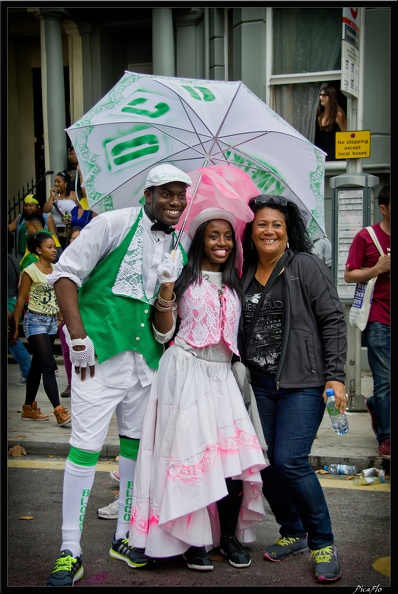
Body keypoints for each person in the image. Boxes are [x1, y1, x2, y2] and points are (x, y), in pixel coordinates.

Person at [45, 163, 193, 587]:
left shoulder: (178, 251)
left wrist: (167, 289)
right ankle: (69, 548)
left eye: (181, 195)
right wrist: (77, 336)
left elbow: (164, 331)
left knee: (133, 449)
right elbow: (66, 275)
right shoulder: (111, 223)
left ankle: (125, 533)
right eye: (167, 193)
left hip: (144, 365)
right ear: (147, 194)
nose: (176, 202)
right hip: (99, 356)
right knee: (85, 449)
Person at [128, 207, 267, 572]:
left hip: (223, 376)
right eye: (212, 235)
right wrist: (167, 287)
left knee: (230, 462)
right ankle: (193, 542)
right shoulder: (183, 278)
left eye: (226, 236)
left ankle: (227, 537)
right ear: (200, 239)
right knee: (191, 458)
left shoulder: (238, 281)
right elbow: (162, 332)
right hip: (185, 371)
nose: (221, 242)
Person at [239, 195, 347, 583]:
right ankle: (293, 531)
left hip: (303, 382)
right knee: (264, 462)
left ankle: (323, 541)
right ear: (250, 233)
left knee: (290, 460)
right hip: (260, 385)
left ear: (288, 232)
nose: (269, 230)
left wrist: (336, 376)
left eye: (276, 225)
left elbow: (334, 320)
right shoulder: (245, 269)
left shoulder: (305, 266)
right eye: (261, 225)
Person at [344, 184, 390, 460]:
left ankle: (376, 406)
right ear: (383, 208)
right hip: (379, 318)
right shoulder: (367, 237)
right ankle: (386, 437)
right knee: (385, 380)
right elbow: (350, 275)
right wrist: (377, 269)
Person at [11, 232, 71, 427]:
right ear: (38, 250)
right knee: (49, 366)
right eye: (49, 247)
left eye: (54, 246)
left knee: (37, 366)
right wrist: (14, 326)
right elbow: (21, 299)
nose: (54, 250)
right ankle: (59, 411)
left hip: (52, 322)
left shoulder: (56, 269)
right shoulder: (30, 271)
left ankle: (28, 407)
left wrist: (61, 314)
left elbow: (59, 295)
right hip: (34, 321)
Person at [57, 226, 82, 399]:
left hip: (85, 311)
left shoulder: (93, 259)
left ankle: (81, 383)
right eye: (73, 238)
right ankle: (70, 382)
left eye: (80, 237)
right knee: (67, 351)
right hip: (67, 311)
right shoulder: (63, 262)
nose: (76, 241)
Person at [8, 232, 31, 385]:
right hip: (13, 303)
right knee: (12, 339)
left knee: (12, 340)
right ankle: (27, 371)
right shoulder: (14, 260)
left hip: (10, 303)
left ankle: (28, 371)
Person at [42, 172, 79, 248]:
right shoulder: (54, 196)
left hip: (69, 230)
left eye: (59, 182)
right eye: (55, 182)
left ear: (66, 183)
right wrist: (51, 196)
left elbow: (81, 210)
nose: (56, 184)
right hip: (55, 231)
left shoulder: (73, 195)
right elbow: (46, 209)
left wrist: (72, 218)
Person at [314, 86, 347, 161]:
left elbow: (345, 134)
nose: (320, 98)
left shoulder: (338, 114)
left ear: (330, 97)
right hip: (320, 152)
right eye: (320, 95)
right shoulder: (319, 114)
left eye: (323, 95)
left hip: (333, 153)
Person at [8, 194, 42, 261]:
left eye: (31, 205)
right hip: (20, 253)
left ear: (37, 206)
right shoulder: (20, 218)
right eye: (26, 205)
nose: (28, 208)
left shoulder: (45, 217)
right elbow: (9, 228)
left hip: (36, 253)